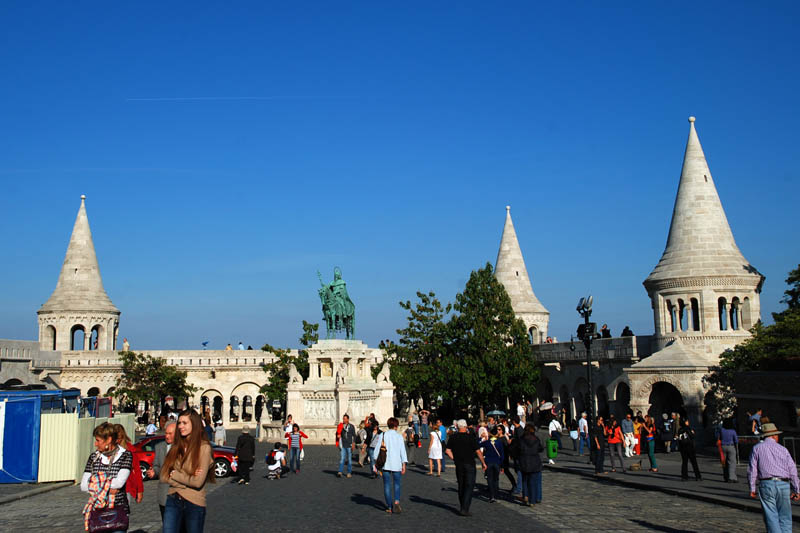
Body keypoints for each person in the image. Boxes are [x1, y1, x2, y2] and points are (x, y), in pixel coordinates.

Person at [161, 409, 214, 533]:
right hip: (173, 499)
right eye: (179, 423)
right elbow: (164, 475)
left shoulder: (203, 448)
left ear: (194, 424)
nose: (180, 426)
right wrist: (187, 478)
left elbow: (197, 482)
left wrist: (175, 475)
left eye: (185, 423)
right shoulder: (176, 447)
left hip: (194, 502)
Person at [747, 422, 800, 533]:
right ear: (774, 436)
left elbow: (752, 470)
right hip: (783, 484)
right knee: (785, 516)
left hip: (766, 484)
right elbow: (793, 470)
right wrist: (796, 489)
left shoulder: (757, 448)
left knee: (771, 516)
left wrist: (752, 488)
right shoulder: (783, 449)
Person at [81, 422, 133, 533]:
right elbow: (84, 485)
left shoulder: (125, 455)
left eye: (98, 440)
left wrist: (96, 482)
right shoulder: (94, 458)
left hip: (117, 510)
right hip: (97, 512)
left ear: (109, 440)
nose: (95, 444)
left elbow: (119, 482)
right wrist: (109, 485)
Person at [445, 419, 487, 517]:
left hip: (459, 464)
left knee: (461, 485)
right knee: (469, 485)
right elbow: (478, 452)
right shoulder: (471, 437)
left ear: (457, 427)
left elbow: (447, 451)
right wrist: (483, 463)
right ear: (466, 426)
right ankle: (465, 508)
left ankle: (462, 506)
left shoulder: (453, 437)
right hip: (470, 464)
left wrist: (454, 458)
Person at [371, 417, 408, 514]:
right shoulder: (399, 436)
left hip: (385, 464)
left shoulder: (383, 435)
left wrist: (375, 463)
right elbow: (402, 452)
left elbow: (376, 451)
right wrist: (404, 464)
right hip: (397, 464)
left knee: (387, 485)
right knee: (397, 484)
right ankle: (396, 501)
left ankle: (389, 507)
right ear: (396, 426)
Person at [148, 420, 176, 523]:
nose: (167, 436)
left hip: (179, 493)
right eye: (166, 433)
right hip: (164, 493)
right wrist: (154, 472)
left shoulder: (183, 447)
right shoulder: (159, 447)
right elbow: (157, 466)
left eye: (170, 433)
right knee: (167, 525)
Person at [114, 424, 144, 504]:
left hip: (126, 488)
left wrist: (140, 490)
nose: (117, 441)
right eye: (115, 439)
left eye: (119, 438)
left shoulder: (130, 450)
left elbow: (137, 470)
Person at [517, 424, 543, 506]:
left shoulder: (521, 440)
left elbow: (517, 449)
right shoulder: (536, 439)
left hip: (524, 462)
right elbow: (540, 449)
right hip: (535, 462)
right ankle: (533, 500)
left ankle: (526, 496)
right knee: (533, 482)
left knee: (525, 480)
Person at [479, 426, 505, 503]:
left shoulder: (487, 442)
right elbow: (502, 454)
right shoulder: (499, 442)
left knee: (490, 479)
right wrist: (502, 465)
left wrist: (480, 438)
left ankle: (492, 495)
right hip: (497, 463)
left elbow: (478, 445)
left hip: (489, 462)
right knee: (496, 479)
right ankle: (496, 493)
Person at [719, 419, 739, 483]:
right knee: (732, 462)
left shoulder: (722, 430)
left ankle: (726, 477)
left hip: (722, 447)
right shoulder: (733, 431)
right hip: (731, 446)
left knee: (724, 463)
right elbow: (736, 440)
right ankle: (732, 477)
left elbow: (718, 437)